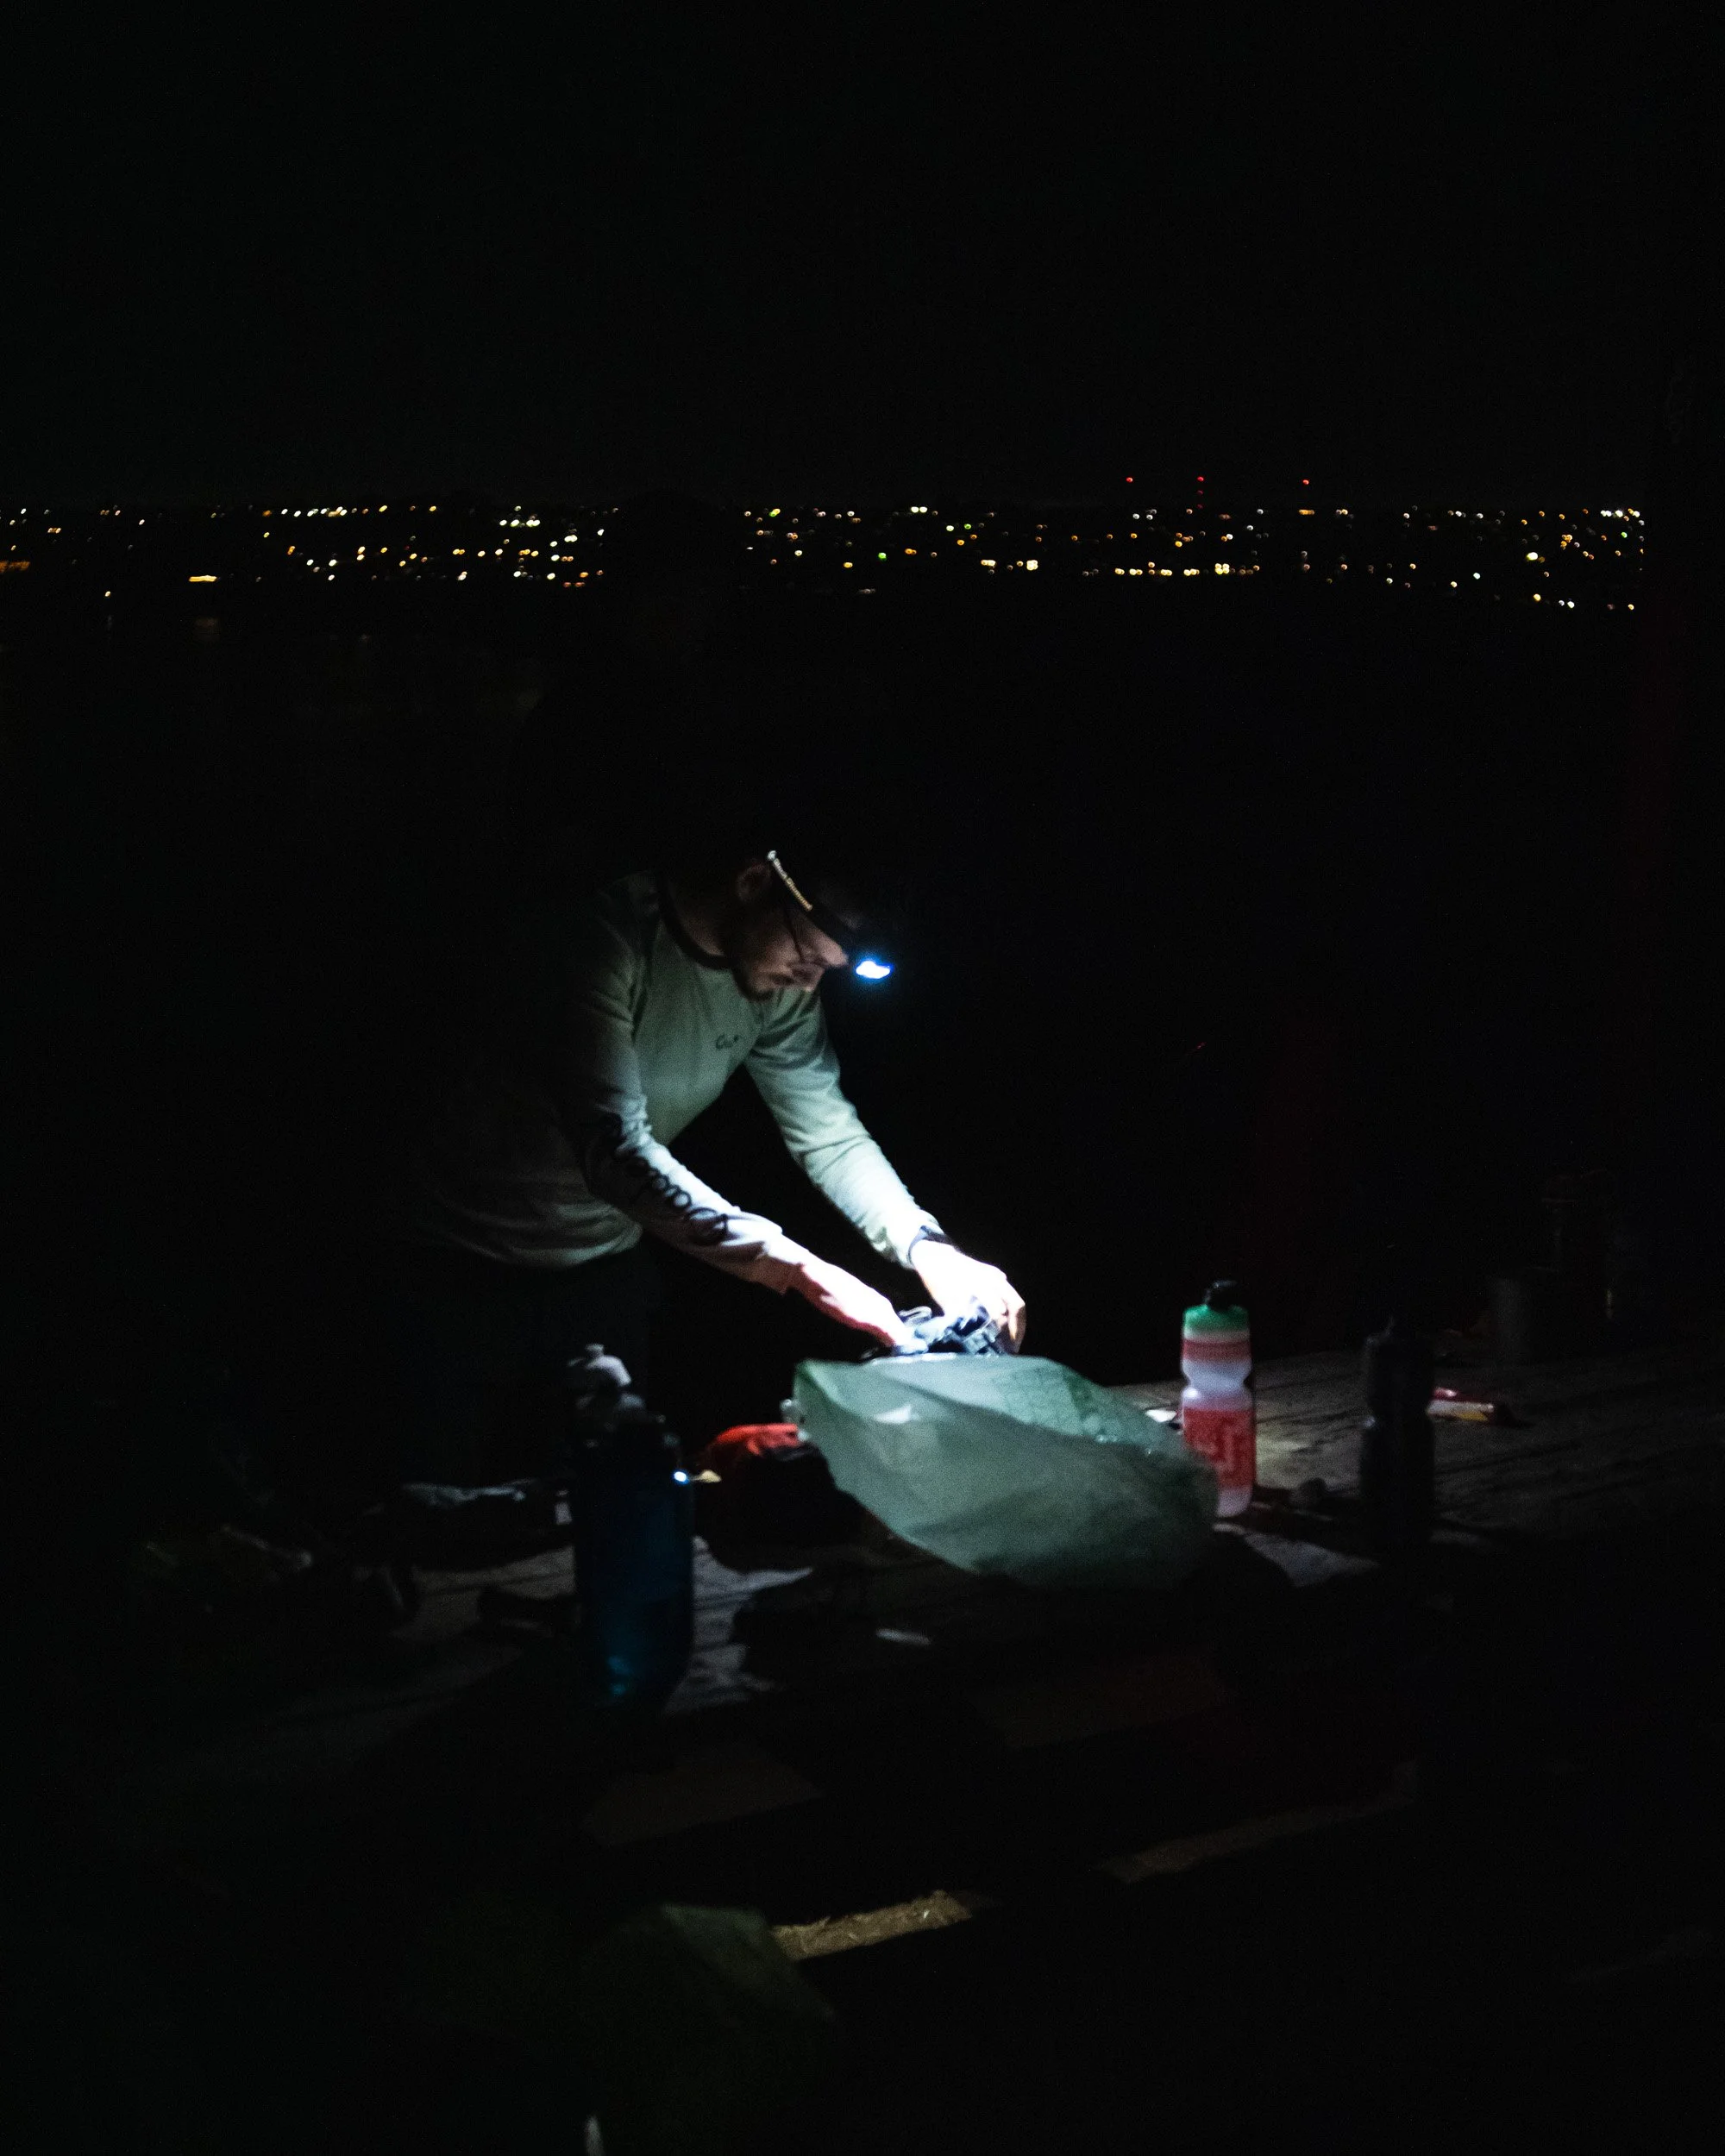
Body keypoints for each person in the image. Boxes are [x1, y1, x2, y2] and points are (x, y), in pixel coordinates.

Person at [373, 802, 1026, 1495]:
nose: (810, 983)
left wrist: (928, 1247)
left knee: (602, 1507)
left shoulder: (778, 990)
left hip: (599, 1277)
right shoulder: (601, 940)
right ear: (754, 882)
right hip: (451, 1270)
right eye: (808, 957)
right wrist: (804, 1270)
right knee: (424, 1511)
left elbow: (828, 1133)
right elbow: (615, 1151)